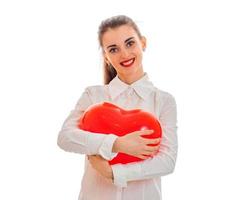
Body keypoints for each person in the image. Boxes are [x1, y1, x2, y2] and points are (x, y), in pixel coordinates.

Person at [57, 15, 178, 200]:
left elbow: (166, 162)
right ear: (106, 57)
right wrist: (117, 144)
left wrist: (113, 173)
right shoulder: (92, 96)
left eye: (130, 43)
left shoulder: (164, 101)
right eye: (113, 49)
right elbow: (65, 138)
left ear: (143, 43)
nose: (124, 54)